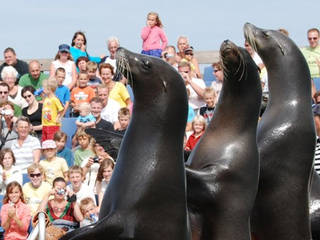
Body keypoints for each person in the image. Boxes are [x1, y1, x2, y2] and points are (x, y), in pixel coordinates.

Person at [42, 77, 64, 141]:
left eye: (44, 88)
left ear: (49, 89)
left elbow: (61, 109)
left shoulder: (55, 99)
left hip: (52, 125)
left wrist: (58, 117)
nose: (43, 90)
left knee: (51, 141)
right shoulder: (47, 98)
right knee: (45, 141)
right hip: (45, 124)